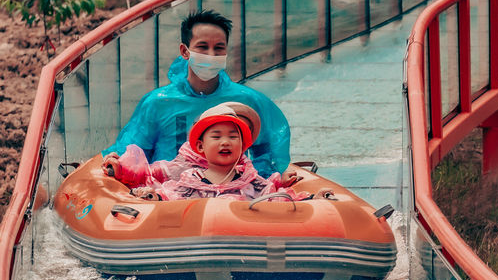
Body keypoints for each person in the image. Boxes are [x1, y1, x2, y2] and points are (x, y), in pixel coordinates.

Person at [103, 10, 290, 177]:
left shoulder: (247, 101)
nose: (211, 54)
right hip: (167, 194)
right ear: (185, 51)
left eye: (219, 48)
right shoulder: (158, 103)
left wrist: (267, 181)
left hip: (231, 189)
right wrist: (119, 163)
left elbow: (268, 151)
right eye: (202, 47)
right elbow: (135, 151)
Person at [103, 103, 330, 202]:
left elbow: (273, 198)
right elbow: (163, 188)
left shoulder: (250, 178)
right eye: (217, 136)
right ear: (200, 145)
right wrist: (126, 173)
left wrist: (306, 197)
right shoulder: (187, 176)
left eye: (234, 137)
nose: (226, 142)